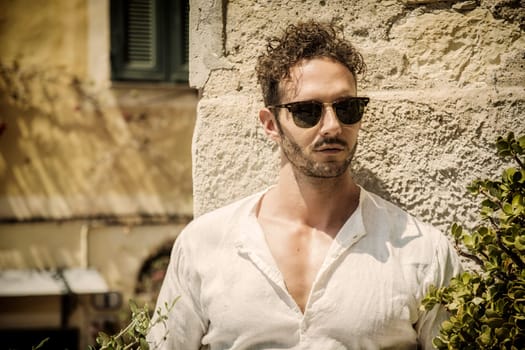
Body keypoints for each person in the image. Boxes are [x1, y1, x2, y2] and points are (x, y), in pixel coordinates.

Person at [148, 20, 461, 350]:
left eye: (347, 108)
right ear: (271, 124)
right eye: (307, 111)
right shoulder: (204, 244)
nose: (332, 126)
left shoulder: (422, 251)